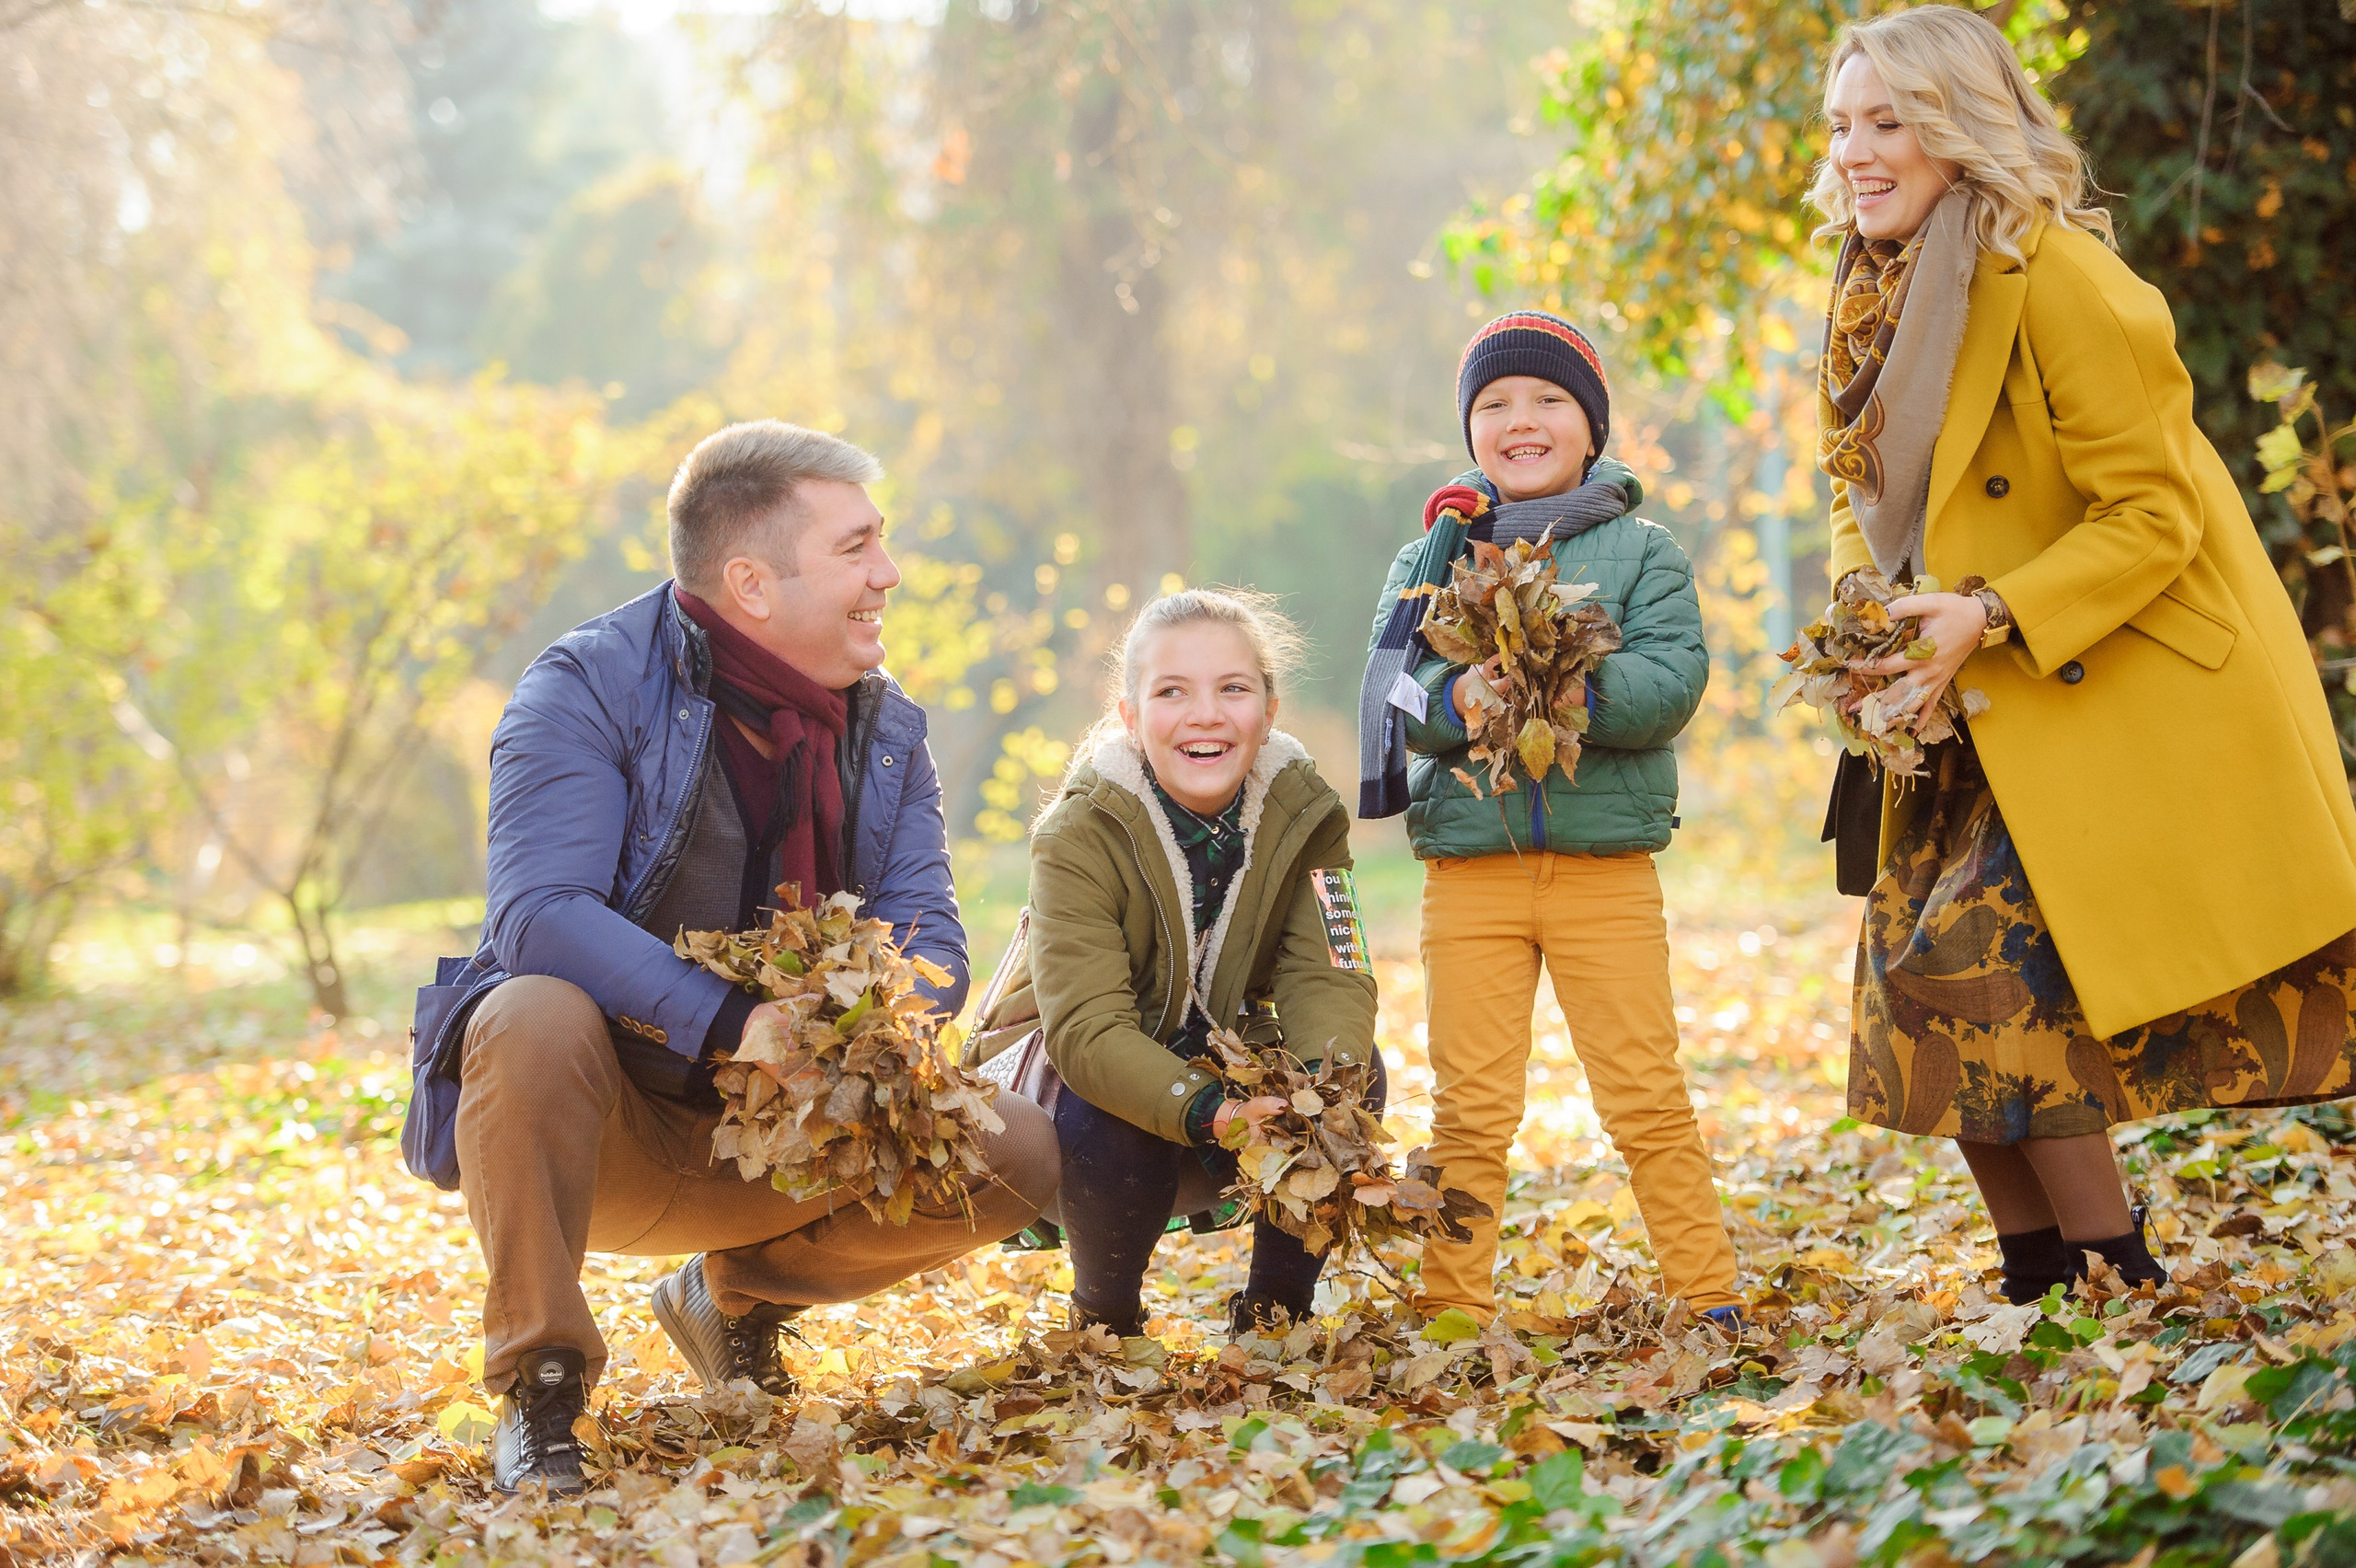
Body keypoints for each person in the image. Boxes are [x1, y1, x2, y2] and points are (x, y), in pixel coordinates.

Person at [1807, 6, 2356, 1304]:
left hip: (2087, 675)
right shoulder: (1865, 282)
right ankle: (2041, 1272)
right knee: (1913, 991)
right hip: (1945, 696)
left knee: (1991, 981)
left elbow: (2153, 514)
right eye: (1843, 125)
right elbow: (1857, 485)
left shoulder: (2058, 274)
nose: (1859, 152)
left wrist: (1989, 613)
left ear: (1960, 127)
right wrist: (1863, 609)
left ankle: (2114, 1272)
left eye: (1889, 122)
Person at [400, 421, 1058, 1494]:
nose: (886, 574)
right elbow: (539, 912)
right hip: (606, 1123)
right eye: (856, 549)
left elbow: (927, 927)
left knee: (1018, 1148)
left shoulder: (888, 729)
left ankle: (736, 1297)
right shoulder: (587, 686)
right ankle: (541, 1386)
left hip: (792, 1138)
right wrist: (736, 1025)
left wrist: (873, 1038)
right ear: (752, 582)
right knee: (525, 1011)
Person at [1357, 312, 1745, 1330]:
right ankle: (1452, 1306)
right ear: (1470, 430)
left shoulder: (1640, 551)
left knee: (1644, 1098)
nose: (1519, 420)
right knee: (1470, 1110)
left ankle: (1706, 1296)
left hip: (1601, 870)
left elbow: (1670, 680)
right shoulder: (1431, 553)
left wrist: (1556, 679)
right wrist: (1460, 703)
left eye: (1546, 400)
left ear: (1590, 425)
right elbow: (1396, 688)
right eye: (1494, 405)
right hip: (1470, 874)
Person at [970, 590, 1380, 1337]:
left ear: (1269, 709)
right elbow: (1089, 1032)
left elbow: (1336, 964)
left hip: (1219, 1064)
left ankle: (1274, 1319)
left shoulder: (1310, 814)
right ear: (1130, 717)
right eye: (1172, 692)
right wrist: (1214, 1113)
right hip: (1069, 1106)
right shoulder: (1076, 832)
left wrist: (1319, 1093)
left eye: (1233, 688)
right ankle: (1106, 1321)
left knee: (1357, 1071)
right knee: (1113, 1110)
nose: (1206, 714)